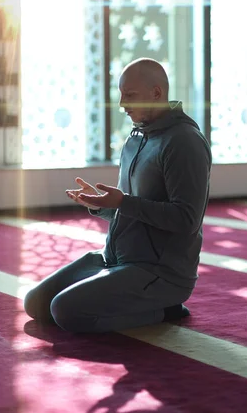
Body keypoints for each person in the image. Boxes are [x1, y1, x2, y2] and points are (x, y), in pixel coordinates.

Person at [23, 58, 212, 333]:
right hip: (114, 259)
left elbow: (187, 220)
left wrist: (123, 202)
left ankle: (165, 309)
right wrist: (102, 205)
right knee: (35, 304)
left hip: (159, 273)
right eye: (121, 95)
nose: (122, 104)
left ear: (157, 93)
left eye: (130, 95)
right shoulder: (135, 138)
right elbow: (133, 210)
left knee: (65, 311)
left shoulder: (184, 142)